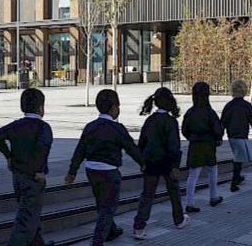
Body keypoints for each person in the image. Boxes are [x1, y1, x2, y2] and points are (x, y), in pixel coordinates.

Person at [64, 89, 142, 246]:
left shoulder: (90, 127)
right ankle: (98, 240)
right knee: (108, 206)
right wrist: (144, 163)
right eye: (118, 106)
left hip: (91, 170)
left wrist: (72, 172)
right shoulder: (117, 128)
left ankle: (111, 230)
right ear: (114, 108)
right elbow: (131, 148)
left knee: (101, 202)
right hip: (109, 171)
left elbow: (80, 150)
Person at [0, 89, 54, 246]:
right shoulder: (43, 127)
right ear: (41, 108)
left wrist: (8, 156)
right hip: (34, 178)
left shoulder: (16, 126)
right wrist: (39, 171)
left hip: (17, 177)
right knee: (26, 220)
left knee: (31, 214)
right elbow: (42, 148)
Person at [132, 87, 189, 240]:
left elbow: (142, 143)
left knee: (147, 195)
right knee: (174, 193)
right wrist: (175, 165)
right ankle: (179, 219)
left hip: (150, 163)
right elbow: (174, 146)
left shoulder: (149, 121)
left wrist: (141, 160)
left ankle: (139, 227)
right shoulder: (171, 122)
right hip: (168, 164)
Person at [181, 81, 223, 212]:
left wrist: (192, 138)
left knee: (193, 174)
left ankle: (189, 202)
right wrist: (218, 138)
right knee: (212, 170)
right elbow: (218, 129)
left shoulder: (190, 112)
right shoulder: (210, 112)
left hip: (195, 145)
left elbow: (184, 130)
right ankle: (213, 196)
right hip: (209, 145)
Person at [220, 79, 252, 192]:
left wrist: (219, 135)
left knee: (238, 156)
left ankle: (237, 177)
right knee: (238, 158)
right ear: (244, 90)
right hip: (242, 134)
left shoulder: (228, 106)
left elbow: (222, 122)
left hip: (231, 135)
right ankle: (234, 182)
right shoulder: (246, 105)